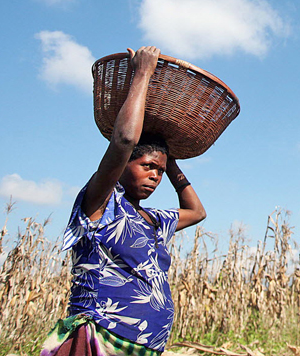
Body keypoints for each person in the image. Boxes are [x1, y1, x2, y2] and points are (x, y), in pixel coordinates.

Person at [40, 46, 207, 356]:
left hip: (145, 346)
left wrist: (168, 161)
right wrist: (142, 73)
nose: (154, 176)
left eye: (158, 172)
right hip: (100, 339)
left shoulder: (154, 221)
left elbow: (197, 212)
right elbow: (124, 141)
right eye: (147, 166)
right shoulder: (101, 202)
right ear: (123, 167)